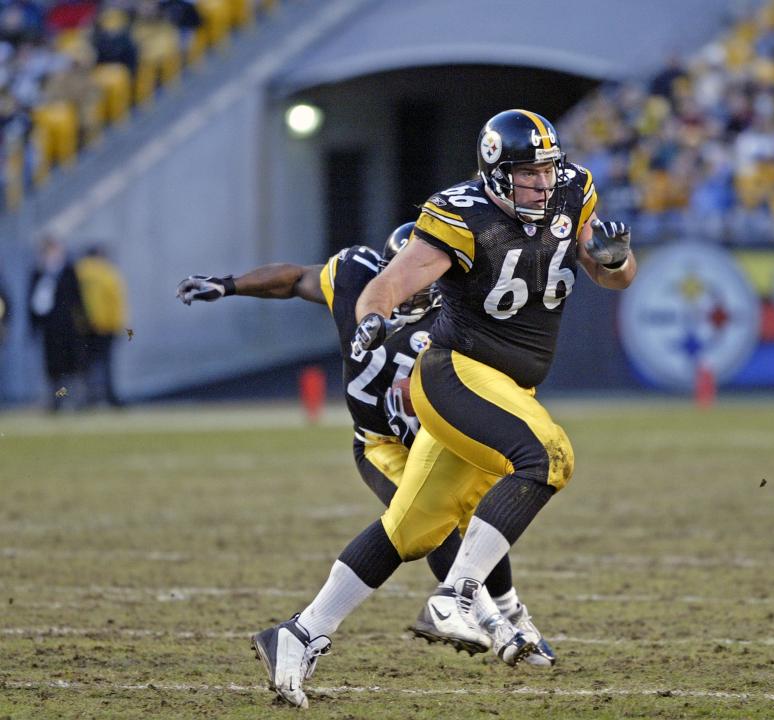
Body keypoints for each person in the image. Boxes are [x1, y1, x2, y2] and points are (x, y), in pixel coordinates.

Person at [248, 109, 636, 708]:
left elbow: (614, 277)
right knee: (548, 457)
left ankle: (297, 634)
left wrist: (613, 261)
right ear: (495, 173)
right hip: (456, 373)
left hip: (508, 384)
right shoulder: (459, 215)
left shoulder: (571, 190)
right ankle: (455, 597)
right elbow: (388, 284)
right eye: (527, 172)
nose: (541, 182)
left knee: (409, 530)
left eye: (546, 169)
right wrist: (371, 320)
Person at [176, 223, 555, 675]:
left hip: (440, 433)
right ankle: (496, 624)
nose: (411, 291)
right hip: (381, 441)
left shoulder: (459, 316)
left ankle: (508, 614)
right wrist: (229, 284)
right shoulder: (354, 276)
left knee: (478, 512)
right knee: (426, 522)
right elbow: (295, 278)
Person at [29, 236, 88, 411]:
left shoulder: (69, 271)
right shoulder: (39, 273)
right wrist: (34, 326)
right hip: (50, 329)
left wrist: (83, 323)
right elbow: (32, 303)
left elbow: (79, 300)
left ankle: (75, 401)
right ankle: (56, 401)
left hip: (69, 328)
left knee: (72, 367)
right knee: (53, 369)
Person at [76, 244, 128, 407]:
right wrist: (120, 325)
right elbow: (116, 301)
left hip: (83, 327)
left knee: (84, 366)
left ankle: (86, 398)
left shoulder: (78, 272)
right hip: (106, 326)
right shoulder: (108, 272)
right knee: (106, 365)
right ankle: (110, 397)